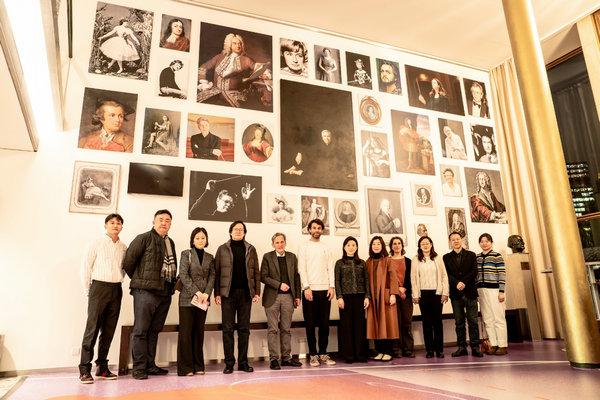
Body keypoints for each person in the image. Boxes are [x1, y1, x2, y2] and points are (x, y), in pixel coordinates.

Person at [123, 210, 177, 380]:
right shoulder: (143, 238)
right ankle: (139, 368)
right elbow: (128, 262)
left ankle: (150, 365)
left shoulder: (170, 242)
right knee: (141, 331)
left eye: (167, 220)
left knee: (154, 331)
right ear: (153, 222)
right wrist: (141, 280)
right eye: (160, 220)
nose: (164, 223)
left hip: (165, 292)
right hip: (145, 292)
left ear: (170, 224)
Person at [78, 214, 127, 384]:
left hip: (116, 288)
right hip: (98, 288)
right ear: (105, 226)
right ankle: (84, 369)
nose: (115, 225)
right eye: (112, 223)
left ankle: (102, 367)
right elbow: (86, 266)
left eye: (118, 223)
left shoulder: (124, 247)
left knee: (109, 329)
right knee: (92, 329)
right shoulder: (96, 243)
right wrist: (88, 291)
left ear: (122, 227)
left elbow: (124, 268)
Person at [214, 221, 260, 374]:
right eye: (236, 229)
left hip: (246, 294)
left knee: (244, 330)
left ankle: (243, 363)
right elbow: (217, 273)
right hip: (227, 295)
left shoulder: (251, 249)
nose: (238, 231)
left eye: (241, 229)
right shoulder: (222, 249)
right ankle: (229, 363)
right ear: (230, 232)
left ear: (244, 232)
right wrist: (217, 293)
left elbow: (256, 272)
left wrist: (256, 292)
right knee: (227, 330)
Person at [260, 233, 302, 370]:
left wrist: (298, 296)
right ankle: (273, 359)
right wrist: (279, 285)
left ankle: (286, 358)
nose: (280, 244)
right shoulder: (267, 257)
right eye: (277, 242)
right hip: (272, 298)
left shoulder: (292, 257)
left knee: (286, 329)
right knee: (273, 329)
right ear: (273, 245)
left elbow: (296, 277)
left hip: (288, 297)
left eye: (282, 242)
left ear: (285, 243)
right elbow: (263, 277)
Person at [298, 219, 336, 367]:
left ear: (322, 230)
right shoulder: (304, 246)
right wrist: (306, 287)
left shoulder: (326, 247)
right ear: (309, 230)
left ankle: (323, 353)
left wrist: (331, 286)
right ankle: (313, 355)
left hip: (325, 290)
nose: (316, 230)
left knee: (324, 325)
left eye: (319, 228)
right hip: (310, 291)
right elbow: (302, 268)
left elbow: (330, 267)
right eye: (314, 228)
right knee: (310, 325)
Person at [177, 227, 215, 376]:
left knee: (199, 332)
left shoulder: (210, 257)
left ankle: (198, 365)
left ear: (206, 240)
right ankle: (185, 368)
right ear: (192, 240)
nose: (200, 240)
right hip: (187, 298)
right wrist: (197, 292)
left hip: (203, 300)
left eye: (203, 238)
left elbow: (212, 277)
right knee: (186, 333)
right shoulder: (186, 254)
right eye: (197, 238)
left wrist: (206, 293)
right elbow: (183, 274)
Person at [198, 33, 267, 108]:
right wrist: (204, 83)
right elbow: (203, 67)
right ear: (229, 45)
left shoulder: (246, 60)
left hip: (234, 95)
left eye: (240, 43)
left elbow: (260, 68)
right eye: (235, 43)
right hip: (214, 92)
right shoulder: (219, 57)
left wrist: (264, 74)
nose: (238, 46)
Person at [443, 232, 483, 358]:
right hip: (456, 294)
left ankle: (475, 347)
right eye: (453, 239)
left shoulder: (471, 255)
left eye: (458, 239)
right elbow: (446, 274)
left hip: (470, 292)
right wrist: (457, 283)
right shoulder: (446, 257)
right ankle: (462, 347)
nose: (456, 241)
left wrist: (463, 282)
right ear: (450, 242)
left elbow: (474, 271)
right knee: (459, 322)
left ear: (462, 240)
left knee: (473, 322)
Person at [411, 236, 449, 358]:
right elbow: (413, 279)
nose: (425, 245)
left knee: (437, 322)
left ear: (431, 244)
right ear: (420, 246)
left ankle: (439, 350)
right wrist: (415, 294)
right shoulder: (416, 259)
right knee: (426, 323)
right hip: (423, 294)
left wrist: (445, 293)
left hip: (437, 293)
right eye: (423, 244)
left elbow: (444, 276)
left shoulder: (437, 258)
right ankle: (429, 350)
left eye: (427, 243)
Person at [334, 236, 370, 363]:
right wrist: (339, 297)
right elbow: (337, 281)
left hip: (360, 297)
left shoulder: (362, 263)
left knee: (360, 326)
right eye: (348, 245)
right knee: (347, 327)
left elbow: (366, 281)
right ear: (344, 247)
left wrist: (367, 296)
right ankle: (349, 356)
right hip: (345, 297)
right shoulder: (339, 263)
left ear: (356, 247)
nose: (351, 247)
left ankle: (361, 355)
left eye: (353, 245)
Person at [366, 236, 399, 361]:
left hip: (385, 296)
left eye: (378, 244)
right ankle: (379, 351)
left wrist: (393, 294)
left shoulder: (387, 260)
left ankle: (388, 351)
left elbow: (393, 278)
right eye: (374, 244)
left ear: (382, 246)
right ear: (371, 246)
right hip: (373, 298)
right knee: (375, 324)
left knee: (388, 324)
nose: (376, 246)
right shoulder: (368, 262)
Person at [477, 233, 508, 355]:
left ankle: (502, 345)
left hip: (495, 290)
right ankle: (493, 344)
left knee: (499, 318)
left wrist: (501, 291)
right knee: (488, 319)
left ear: (491, 242)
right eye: (482, 241)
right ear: (479, 243)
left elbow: (502, 274)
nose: (484, 243)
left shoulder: (497, 256)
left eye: (487, 241)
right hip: (481, 291)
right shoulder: (477, 257)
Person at [389, 236, 415, 358]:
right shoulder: (388, 261)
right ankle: (396, 350)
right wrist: (396, 290)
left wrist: (405, 288)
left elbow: (412, 278)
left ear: (402, 246)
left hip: (406, 296)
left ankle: (408, 349)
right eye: (394, 243)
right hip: (393, 296)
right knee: (395, 323)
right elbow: (388, 279)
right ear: (391, 246)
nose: (397, 245)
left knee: (406, 323)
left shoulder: (408, 261)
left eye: (399, 243)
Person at [189, 179, 256, 221]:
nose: (229, 205)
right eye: (226, 201)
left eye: (232, 204)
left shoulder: (234, 221)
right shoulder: (209, 218)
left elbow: (248, 220)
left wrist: (247, 201)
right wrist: (207, 191)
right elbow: (192, 214)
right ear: (218, 200)